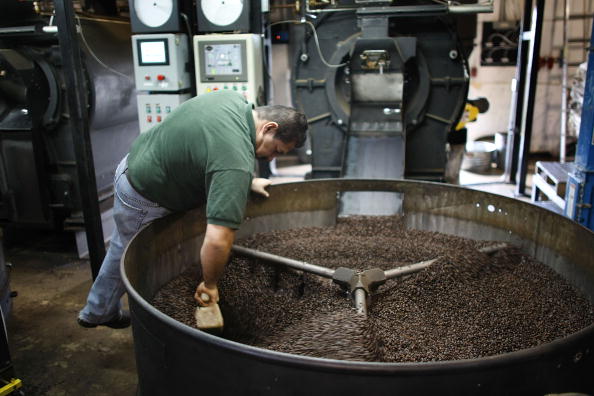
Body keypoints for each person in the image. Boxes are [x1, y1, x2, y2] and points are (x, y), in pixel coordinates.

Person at [77, 90, 308, 329]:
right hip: (142, 193)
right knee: (124, 254)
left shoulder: (231, 100)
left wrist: (245, 182)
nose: (270, 159)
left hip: (137, 161)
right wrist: (209, 285)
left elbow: (208, 150)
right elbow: (219, 240)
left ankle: (98, 308)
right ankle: (98, 312)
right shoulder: (235, 160)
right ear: (268, 128)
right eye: (276, 150)